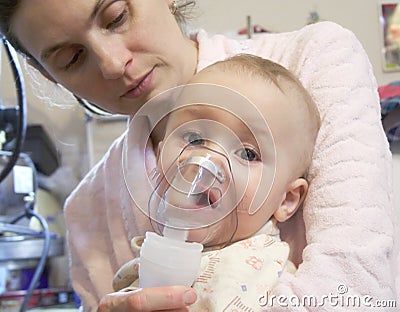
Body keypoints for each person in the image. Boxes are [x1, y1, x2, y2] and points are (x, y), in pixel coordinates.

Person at [0, 1, 397, 311]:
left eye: (116, 16)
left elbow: (357, 287)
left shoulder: (313, 59)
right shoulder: (87, 211)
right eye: (71, 58)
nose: (112, 63)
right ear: (51, 76)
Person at [113, 54, 321, 311]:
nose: (207, 160)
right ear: (160, 154)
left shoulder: (267, 272)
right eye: (193, 138)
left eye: (247, 154)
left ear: (286, 199)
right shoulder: (147, 256)